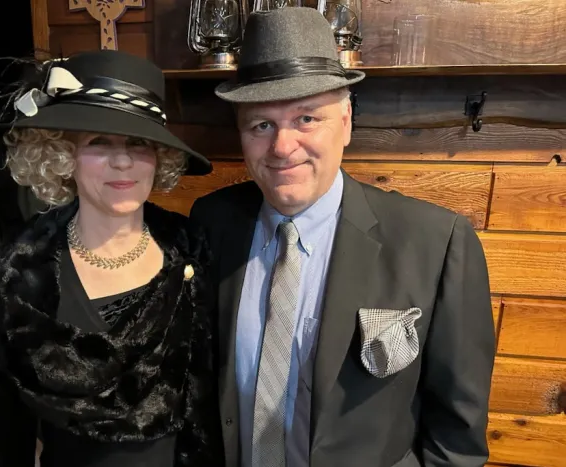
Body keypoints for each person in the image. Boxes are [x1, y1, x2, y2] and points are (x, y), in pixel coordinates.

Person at [189, 7, 496, 467]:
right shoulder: (212, 222)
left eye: (307, 119)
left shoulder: (437, 243)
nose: (282, 147)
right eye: (261, 124)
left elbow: (457, 441)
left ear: (346, 121)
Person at [0, 50, 223, 467]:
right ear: (63, 154)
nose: (122, 161)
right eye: (99, 141)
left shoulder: (193, 250)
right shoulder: (17, 275)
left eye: (139, 143)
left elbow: (209, 398)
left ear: (159, 157)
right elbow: (9, 414)